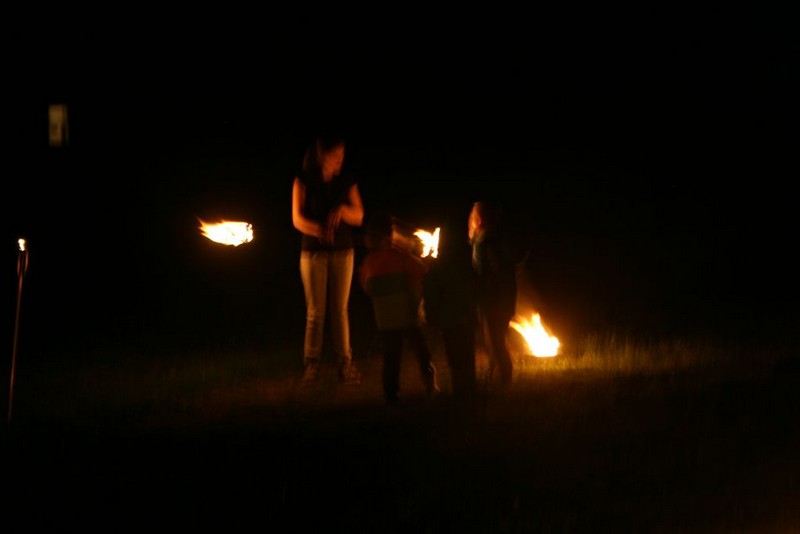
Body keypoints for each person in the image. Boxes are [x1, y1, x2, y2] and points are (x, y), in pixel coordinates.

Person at [291, 134, 364, 386]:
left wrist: (343, 210)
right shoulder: (303, 180)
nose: (340, 160)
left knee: (340, 310)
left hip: (343, 251)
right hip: (313, 253)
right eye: (335, 156)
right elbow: (297, 219)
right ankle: (312, 365)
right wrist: (319, 231)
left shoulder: (346, 180)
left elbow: (359, 215)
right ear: (322, 156)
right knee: (315, 312)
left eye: (342, 155)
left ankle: (345, 363)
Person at [359, 211, 439, 404]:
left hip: (386, 319)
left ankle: (391, 394)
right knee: (421, 351)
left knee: (391, 356)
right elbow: (421, 270)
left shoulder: (368, 263)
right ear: (390, 236)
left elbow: (367, 287)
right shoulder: (400, 257)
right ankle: (430, 385)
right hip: (408, 315)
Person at [422, 206, 480, 403]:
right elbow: (474, 287)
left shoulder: (437, 266)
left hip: (450, 319)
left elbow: (431, 292)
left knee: (455, 356)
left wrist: (432, 315)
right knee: (466, 355)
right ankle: (468, 391)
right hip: (464, 316)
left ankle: (461, 391)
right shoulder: (468, 263)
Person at [469, 199, 519, 389]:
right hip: (499, 295)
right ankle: (495, 374)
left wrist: (484, 285)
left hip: (494, 296)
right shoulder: (487, 237)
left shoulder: (487, 240)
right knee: (493, 338)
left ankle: (505, 380)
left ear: (480, 218)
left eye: (475, 215)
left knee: (495, 339)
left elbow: (492, 269)